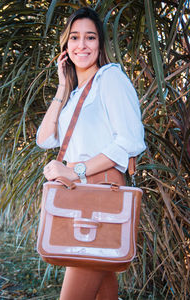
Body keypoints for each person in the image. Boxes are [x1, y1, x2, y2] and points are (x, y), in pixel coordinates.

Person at [36, 7, 146, 300]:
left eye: (90, 37)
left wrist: (76, 170)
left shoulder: (110, 78)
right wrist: (62, 84)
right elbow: (44, 139)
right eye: (74, 37)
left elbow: (130, 140)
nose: (82, 45)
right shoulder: (75, 93)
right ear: (65, 46)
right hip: (83, 196)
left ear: (100, 44)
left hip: (99, 193)